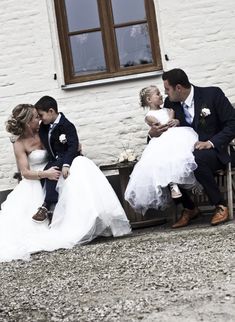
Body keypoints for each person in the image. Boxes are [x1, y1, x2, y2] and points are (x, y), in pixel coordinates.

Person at [0, 104, 131, 262]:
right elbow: (25, 173)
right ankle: (49, 213)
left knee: (81, 171)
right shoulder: (19, 143)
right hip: (37, 178)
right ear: (28, 122)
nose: (39, 119)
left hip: (57, 170)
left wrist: (73, 148)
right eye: (36, 117)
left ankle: (90, 220)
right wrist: (45, 174)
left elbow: (62, 143)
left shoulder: (45, 130)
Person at [149, 68, 235, 228]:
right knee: (161, 162)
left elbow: (232, 124)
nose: (166, 94)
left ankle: (220, 205)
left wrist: (211, 142)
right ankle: (189, 208)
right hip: (182, 152)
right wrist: (153, 133)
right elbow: (162, 132)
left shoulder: (212, 95)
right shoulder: (170, 104)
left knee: (195, 158)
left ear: (179, 88)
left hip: (213, 152)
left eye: (168, 89)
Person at [124, 85, 198, 215]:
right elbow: (160, 126)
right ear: (149, 99)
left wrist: (174, 120)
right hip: (162, 143)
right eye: (157, 94)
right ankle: (173, 185)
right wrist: (170, 119)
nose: (161, 95)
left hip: (177, 140)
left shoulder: (168, 109)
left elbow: (173, 122)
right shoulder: (149, 116)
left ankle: (185, 199)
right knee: (163, 165)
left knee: (177, 163)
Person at [32, 95, 80, 223]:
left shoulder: (67, 125)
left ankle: (47, 205)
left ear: (51, 111)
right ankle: (51, 206)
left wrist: (66, 164)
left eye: (41, 115)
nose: (40, 119)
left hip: (67, 158)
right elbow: (34, 132)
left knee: (51, 169)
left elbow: (73, 146)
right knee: (46, 170)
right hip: (55, 159)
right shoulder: (44, 126)